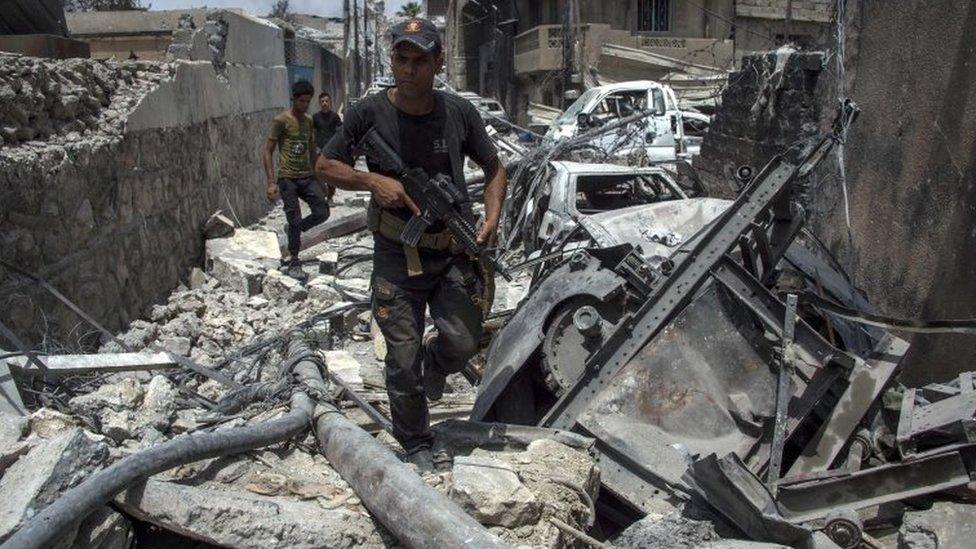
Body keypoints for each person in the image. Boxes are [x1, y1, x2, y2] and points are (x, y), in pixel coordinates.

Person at [318, 18, 507, 471]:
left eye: (420, 60)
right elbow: (324, 165)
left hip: (451, 251)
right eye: (401, 59)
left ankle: (434, 363)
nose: (409, 69)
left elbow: (495, 168)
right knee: (400, 362)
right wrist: (372, 181)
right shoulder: (367, 113)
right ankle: (417, 443)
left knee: (462, 342)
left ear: (438, 62)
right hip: (395, 256)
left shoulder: (459, 112)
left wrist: (493, 218)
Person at [262, 80, 330, 278]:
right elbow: (267, 151)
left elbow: (312, 152)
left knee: (322, 212)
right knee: (294, 217)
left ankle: (296, 229)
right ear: (294, 99)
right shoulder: (281, 120)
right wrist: (271, 182)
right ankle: (294, 260)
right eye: (302, 101)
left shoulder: (309, 121)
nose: (305, 105)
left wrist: (321, 180)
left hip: (306, 177)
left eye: (308, 102)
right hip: (288, 179)